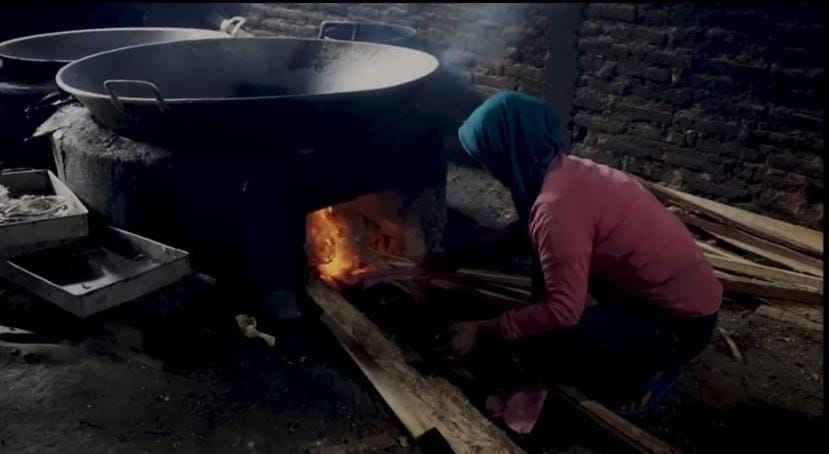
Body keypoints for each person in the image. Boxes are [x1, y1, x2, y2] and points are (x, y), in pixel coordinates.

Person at [420, 91, 721, 413]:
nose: (485, 166)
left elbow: (563, 311)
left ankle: (645, 377)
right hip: (679, 300)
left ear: (504, 153)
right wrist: (458, 259)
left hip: (679, 326)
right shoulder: (565, 170)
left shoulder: (555, 207)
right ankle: (634, 344)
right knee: (544, 301)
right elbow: (527, 232)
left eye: (485, 157)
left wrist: (482, 328)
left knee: (548, 343)